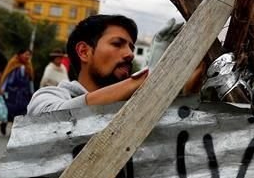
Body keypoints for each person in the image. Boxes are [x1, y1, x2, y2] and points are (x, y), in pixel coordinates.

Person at [29, 14, 204, 116]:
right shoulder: (49, 96)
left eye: (131, 47)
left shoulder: (135, 106)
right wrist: (150, 77)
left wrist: (187, 91)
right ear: (84, 51)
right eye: (117, 44)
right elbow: (52, 118)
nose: (130, 54)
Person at [0, 47, 34, 135]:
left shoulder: (28, 65)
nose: (27, 57)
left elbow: (30, 80)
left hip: (23, 92)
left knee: (21, 111)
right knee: (10, 109)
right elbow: (7, 76)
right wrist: (3, 88)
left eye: (29, 55)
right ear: (20, 54)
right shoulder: (13, 62)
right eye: (26, 54)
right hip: (12, 91)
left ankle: (15, 131)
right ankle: (4, 123)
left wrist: (31, 92)